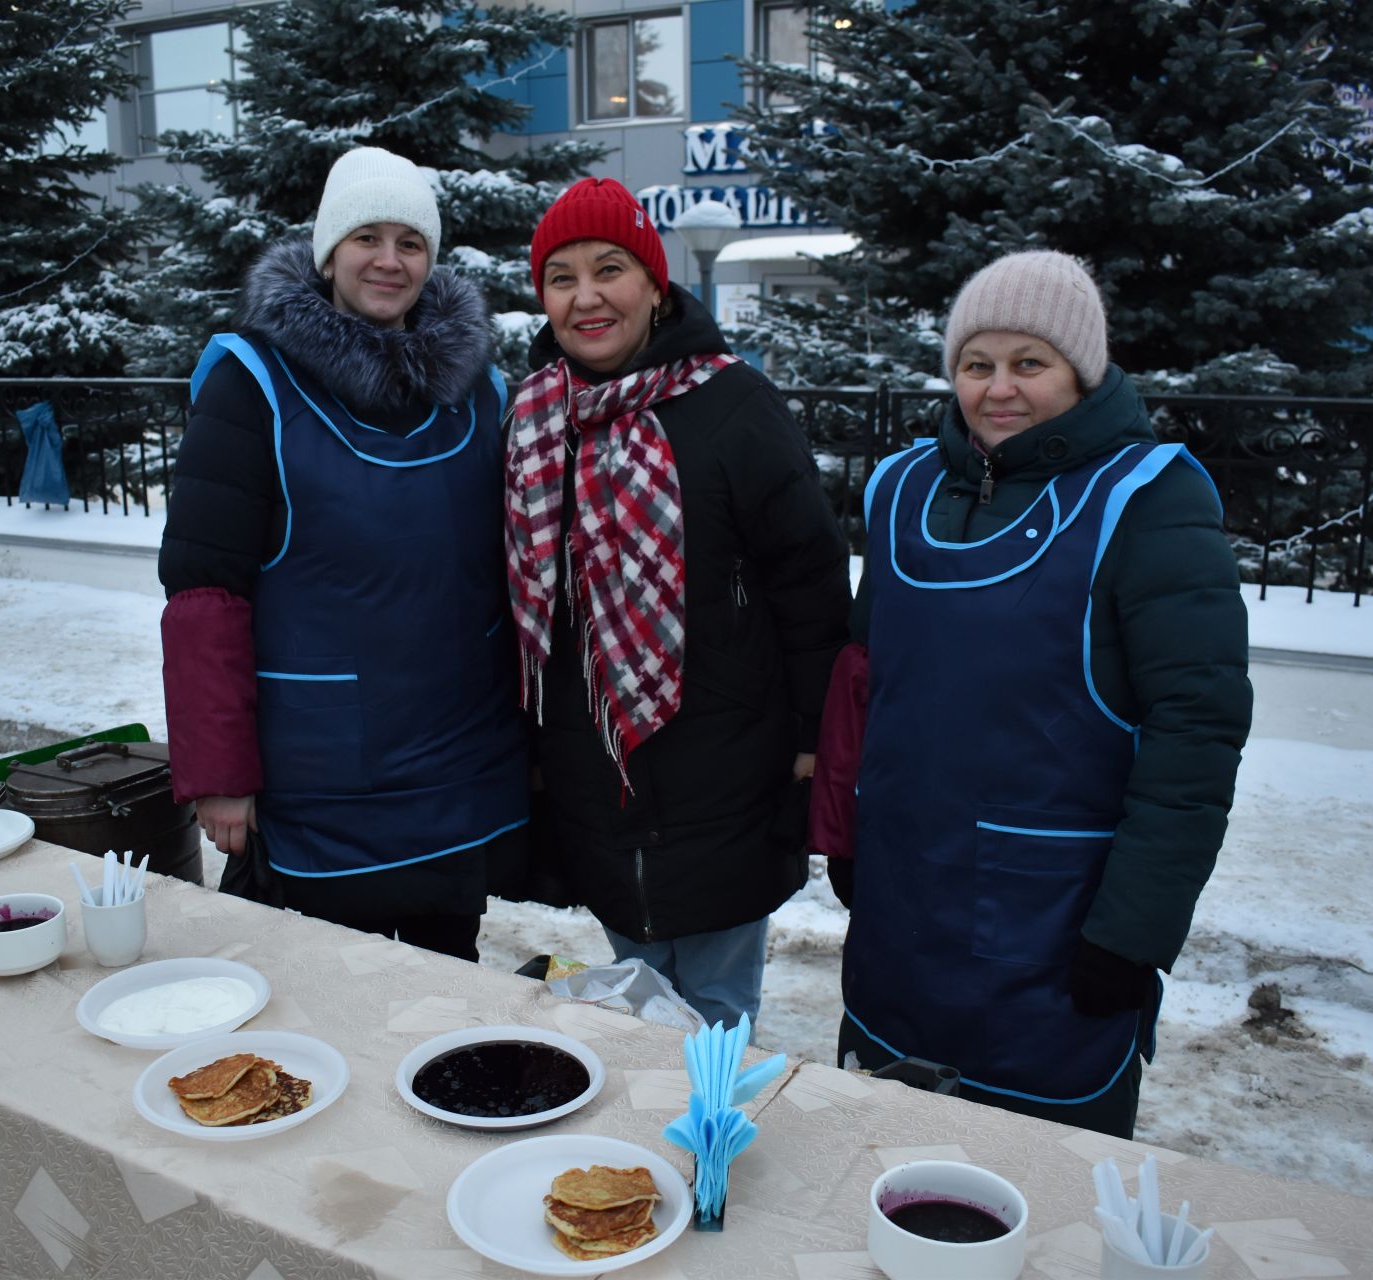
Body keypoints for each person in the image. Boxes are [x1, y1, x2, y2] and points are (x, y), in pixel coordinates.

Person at [835, 250, 1251, 1137]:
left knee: (1040, 1192)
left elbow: (1196, 735)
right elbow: (862, 684)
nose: (999, 390)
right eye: (976, 364)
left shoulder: (1150, 502)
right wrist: (844, 833)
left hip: (1056, 934)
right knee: (878, 1155)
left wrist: (1133, 934)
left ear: (1082, 371)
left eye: (1031, 363)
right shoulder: (903, 488)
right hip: (899, 915)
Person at [158, 146, 527, 961]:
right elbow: (203, 595)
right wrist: (220, 775)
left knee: (444, 994)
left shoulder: (482, 393)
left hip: (454, 770)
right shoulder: (253, 386)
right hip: (318, 783)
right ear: (328, 252)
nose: (389, 261)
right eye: (367, 237)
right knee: (324, 1002)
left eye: (412, 242)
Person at [505, 177, 851, 1029]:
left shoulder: (734, 404)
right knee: (638, 1003)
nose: (587, 297)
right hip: (597, 774)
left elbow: (809, 585)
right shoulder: (533, 417)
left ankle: (711, 1153)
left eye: (610, 269)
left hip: (727, 773)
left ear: (656, 285)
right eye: (561, 276)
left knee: (720, 1012)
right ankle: (657, 1156)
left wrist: (811, 742)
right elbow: (523, 611)